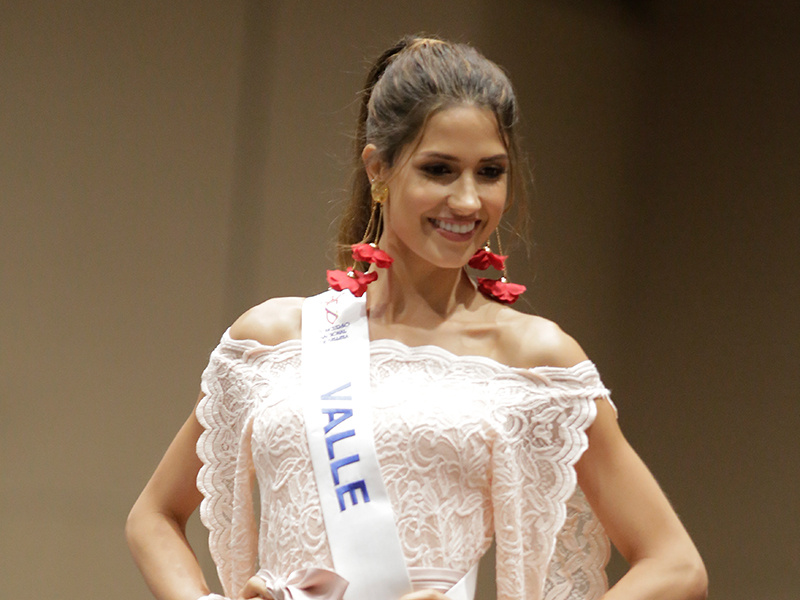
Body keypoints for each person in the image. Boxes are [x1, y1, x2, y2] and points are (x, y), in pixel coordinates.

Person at [126, 35, 708, 600]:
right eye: (439, 169)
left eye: (490, 172)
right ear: (378, 169)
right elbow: (154, 515)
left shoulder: (536, 364)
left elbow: (676, 566)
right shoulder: (273, 341)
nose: (468, 201)